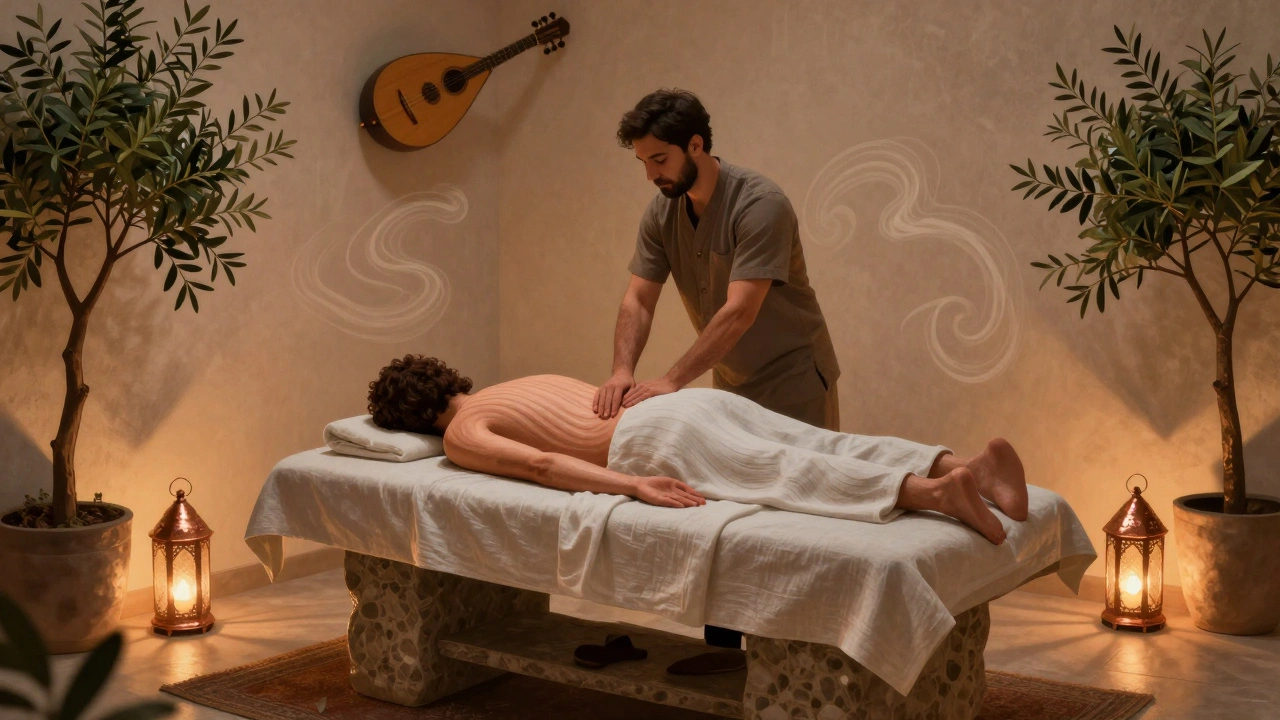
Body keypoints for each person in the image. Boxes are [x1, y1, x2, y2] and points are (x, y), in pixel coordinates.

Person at [368, 355, 1029, 545]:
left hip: (651, 436)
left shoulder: (460, 433)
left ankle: (934, 493)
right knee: (818, 440)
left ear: (409, 421)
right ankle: (966, 465)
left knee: (786, 469)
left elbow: (542, 467)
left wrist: (633, 485)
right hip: (681, 405)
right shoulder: (515, 382)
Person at [594, 89, 842, 434]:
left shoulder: (760, 204)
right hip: (730, 381)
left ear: (695, 145)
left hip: (793, 380)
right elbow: (638, 300)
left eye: (660, 160)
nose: (650, 175)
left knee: (800, 483)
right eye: (644, 162)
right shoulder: (662, 211)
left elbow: (740, 311)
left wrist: (671, 380)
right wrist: (622, 370)